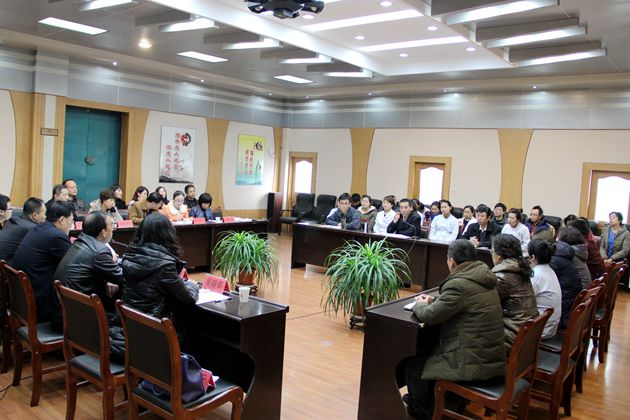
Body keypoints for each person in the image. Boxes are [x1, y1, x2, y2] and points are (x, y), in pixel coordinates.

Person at [404, 239, 505, 419]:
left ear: (451, 261)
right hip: (489, 355)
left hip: (472, 361)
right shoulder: (484, 276)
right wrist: (436, 301)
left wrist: (419, 304)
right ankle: (435, 400)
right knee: (427, 347)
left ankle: (423, 410)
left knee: (414, 365)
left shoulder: (459, 284)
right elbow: (464, 303)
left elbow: (430, 316)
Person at [120, 213, 199, 326]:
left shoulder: (129, 255)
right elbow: (188, 297)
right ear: (167, 234)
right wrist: (192, 285)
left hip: (129, 322)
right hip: (155, 326)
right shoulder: (164, 265)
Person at [11, 202, 73, 328]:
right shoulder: (57, 237)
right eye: (71, 221)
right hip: (41, 303)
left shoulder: (38, 228)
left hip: (23, 299)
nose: (71, 225)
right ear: (61, 220)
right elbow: (75, 263)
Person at [53, 211, 123, 323]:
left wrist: (107, 280)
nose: (114, 228)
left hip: (62, 313)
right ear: (103, 232)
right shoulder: (99, 251)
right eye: (112, 224)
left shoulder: (80, 241)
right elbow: (121, 277)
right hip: (79, 320)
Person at [491, 234, 539, 349]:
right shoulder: (521, 268)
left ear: (499, 256)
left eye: (492, 252)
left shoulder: (502, 276)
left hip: (512, 336)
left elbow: (486, 305)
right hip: (526, 333)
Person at [550, 227, 589, 328]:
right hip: (581, 298)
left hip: (575, 303)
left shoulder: (569, 254)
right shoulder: (579, 251)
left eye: (558, 238)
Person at [527, 238, 562, 339]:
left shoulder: (536, 275)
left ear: (532, 257)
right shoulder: (549, 270)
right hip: (550, 326)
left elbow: (524, 301)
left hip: (541, 330)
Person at [0, 197, 46, 264]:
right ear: (35, 215)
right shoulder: (32, 228)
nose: (45, 217)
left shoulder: (13, 220)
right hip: (7, 266)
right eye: (44, 214)